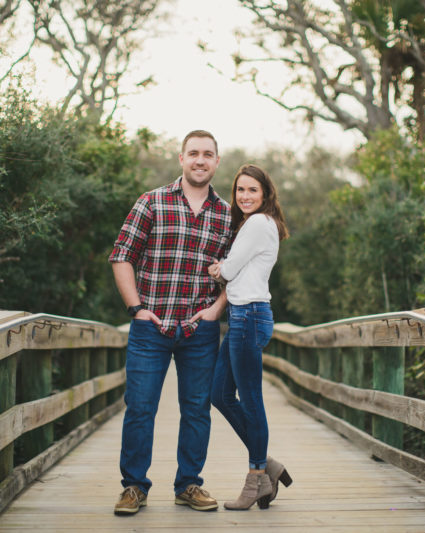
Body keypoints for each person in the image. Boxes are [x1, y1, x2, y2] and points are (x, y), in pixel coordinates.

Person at [109, 130, 232, 515]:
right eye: (193, 153)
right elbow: (122, 256)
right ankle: (133, 487)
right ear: (181, 158)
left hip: (200, 329)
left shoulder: (228, 215)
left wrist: (216, 310)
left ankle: (189, 485)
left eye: (208, 154)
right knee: (140, 407)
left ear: (216, 162)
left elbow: (241, 272)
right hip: (151, 327)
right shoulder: (152, 202)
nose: (200, 160)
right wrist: (136, 308)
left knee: (197, 409)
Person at [208, 164, 292, 510]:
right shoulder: (257, 223)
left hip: (250, 316)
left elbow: (227, 270)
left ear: (265, 193)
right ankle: (268, 463)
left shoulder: (258, 223)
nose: (244, 196)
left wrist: (219, 268)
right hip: (242, 316)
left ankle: (257, 476)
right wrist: (227, 268)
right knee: (220, 393)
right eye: (240, 190)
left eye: (251, 190)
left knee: (250, 399)